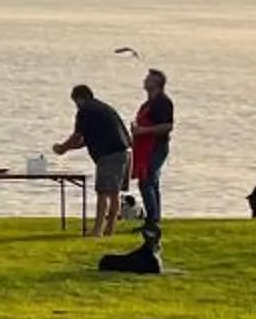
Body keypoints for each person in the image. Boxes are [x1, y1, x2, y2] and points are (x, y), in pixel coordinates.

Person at [52, 83, 132, 235]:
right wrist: (66, 148)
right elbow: (85, 141)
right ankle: (109, 229)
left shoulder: (85, 111)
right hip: (124, 152)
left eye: (75, 102)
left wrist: (62, 148)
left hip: (108, 154)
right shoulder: (102, 108)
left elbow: (77, 137)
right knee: (114, 192)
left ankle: (97, 230)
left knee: (103, 192)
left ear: (80, 98)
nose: (76, 106)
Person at [129, 67, 175, 235]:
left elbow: (167, 126)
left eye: (148, 78)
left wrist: (143, 131)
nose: (144, 80)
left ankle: (152, 221)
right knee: (151, 181)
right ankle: (154, 219)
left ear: (156, 83)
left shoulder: (163, 102)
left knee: (147, 180)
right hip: (144, 147)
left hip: (157, 146)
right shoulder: (147, 104)